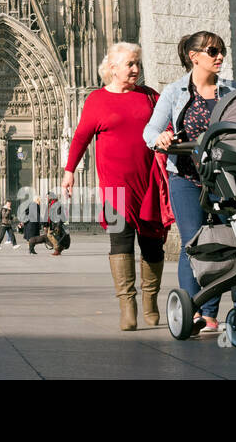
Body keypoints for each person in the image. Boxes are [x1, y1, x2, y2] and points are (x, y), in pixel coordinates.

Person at [66, 42, 172, 331]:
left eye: (138, 63)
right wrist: (69, 170)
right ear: (112, 69)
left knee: (152, 243)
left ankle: (150, 299)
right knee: (120, 242)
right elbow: (81, 137)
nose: (136, 69)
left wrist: (166, 134)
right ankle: (128, 305)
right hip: (114, 185)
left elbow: (170, 123)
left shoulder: (151, 97)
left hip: (149, 182)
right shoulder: (96, 100)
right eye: (130, 64)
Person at [145, 31, 236, 335]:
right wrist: (160, 137)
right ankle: (191, 311)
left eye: (221, 50)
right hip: (186, 176)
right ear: (194, 56)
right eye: (213, 51)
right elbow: (150, 131)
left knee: (225, 244)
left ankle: (211, 313)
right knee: (193, 244)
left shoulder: (232, 91)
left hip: (225, 179)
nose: (220, 56)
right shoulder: (174, 92)